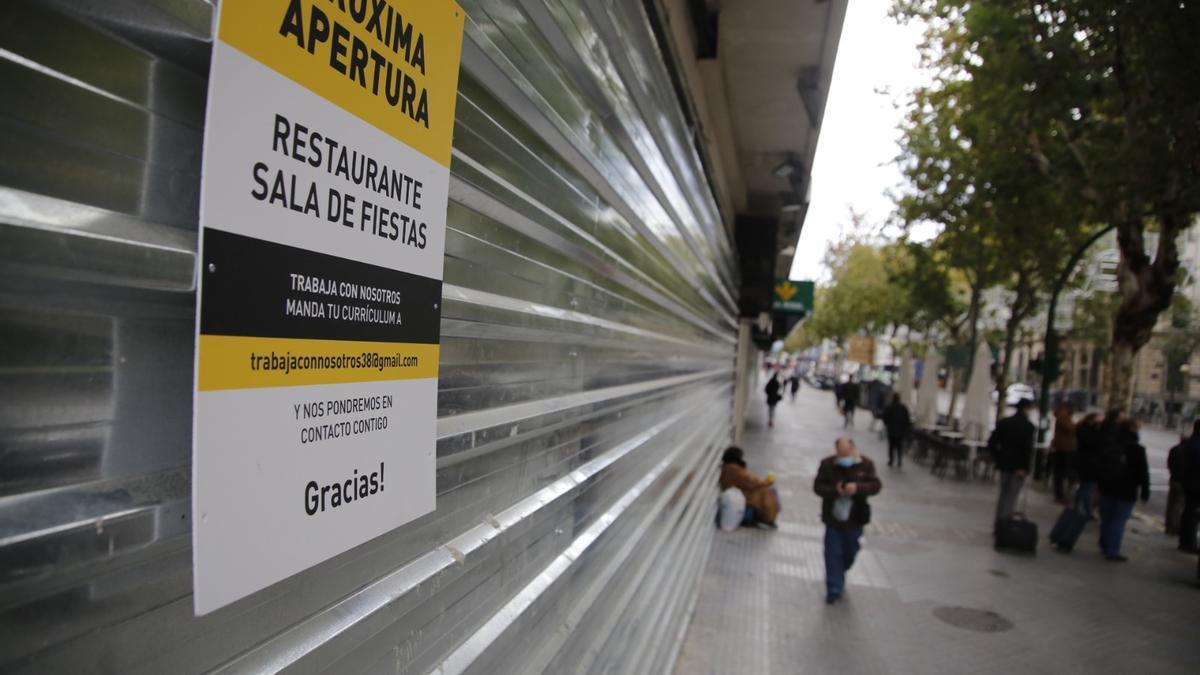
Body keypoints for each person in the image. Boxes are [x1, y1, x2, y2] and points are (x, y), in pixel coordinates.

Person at [813, 438, 882, 604]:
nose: (843, 457)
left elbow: (875, 485)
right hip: (834, 519)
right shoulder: (828, 464)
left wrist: (857, 488)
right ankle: (834, 589)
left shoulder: (865, 465)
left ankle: (841, 570)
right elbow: (818, 487)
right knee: (832, 554)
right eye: (840, 453)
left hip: (855, 518)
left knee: (850, 550)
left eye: (846, 453)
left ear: (853, 449)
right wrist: (834, 491)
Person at [1096, 418, 1150, 561]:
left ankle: (1104, 544)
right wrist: (1145, 491)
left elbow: (1100, 466)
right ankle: (1112, 549)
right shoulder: (1137, 449)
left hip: (1108, 486)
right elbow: (1143, 472)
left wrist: (1100, 484)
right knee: (1118, 520)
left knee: (1107, 518)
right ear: (1132, 430)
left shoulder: (1111, 445)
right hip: (1127, 489)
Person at [989, 398, 1036, 530]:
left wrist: (999, 457)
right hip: (1018, 467)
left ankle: (998, 523)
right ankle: (1003, 525)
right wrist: (1024, 467)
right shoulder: (1028, 427)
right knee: (1011, 496)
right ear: (1026, 409)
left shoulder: (1005, 422)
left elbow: (992, 443)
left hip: (1004, 464)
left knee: (1003, 495)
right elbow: (1027, 449)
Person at [719, 446, 780, 528]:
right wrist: (768, 481)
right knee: (765, 492)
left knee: (764, 491)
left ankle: (766, 517)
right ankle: (767, 518)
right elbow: (751, 481)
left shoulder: (730, 467)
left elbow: (749, 480)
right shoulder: (734, 469)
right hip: (740, 493)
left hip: (739, 491)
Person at [1178, 419, 1200, 553]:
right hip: (1195, 484)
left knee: (1189, 513)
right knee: (1192, 515)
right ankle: (1188, 543)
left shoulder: (1192, 441)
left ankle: (1186, 541)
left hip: (1190, 483)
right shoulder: (1196, 443)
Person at [1074, 412, 1101, 517]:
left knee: (1085, 487)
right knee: (1087, 488)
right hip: (1089, 464)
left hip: (1085, 462)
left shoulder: (1084, 429)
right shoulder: (1088, 431)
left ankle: (1081, 508)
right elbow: (1093, 443)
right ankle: (1082, 509)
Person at [1050, 403, 1078, 505]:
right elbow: (1070, 429)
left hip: (1065, 448)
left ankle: (1062, 494)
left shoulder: (1065, 418)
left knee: (1061, 473)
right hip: (1064, 449)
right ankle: (1060, 495)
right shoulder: (1063, 418)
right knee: (1061, 473)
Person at [881, 393, 912, 468]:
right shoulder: (903, 407)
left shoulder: (889, 407)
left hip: (891, 430)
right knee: (899, 446)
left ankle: (891, 460)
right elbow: (907, 419)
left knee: (891, 446)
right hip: (900, 431)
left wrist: (887, 424)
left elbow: (885, 418)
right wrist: (905, 428)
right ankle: (899, 460)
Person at [1166, 434, 1188, 536]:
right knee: (1178, 505)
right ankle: (1174, 526)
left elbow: (1169, 463)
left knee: (1171, 503)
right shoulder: (1188, 451)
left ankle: (1168, 525)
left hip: (1173, 478)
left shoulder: (1174, 449)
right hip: (1182, 480)